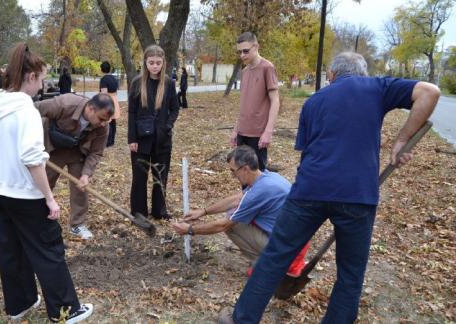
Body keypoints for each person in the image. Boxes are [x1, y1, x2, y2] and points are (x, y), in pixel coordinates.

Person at [223, 52, 440, 324]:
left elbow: (307, 150)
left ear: (332, 75)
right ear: (362, 72)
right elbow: (429, 93)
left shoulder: (314, 102)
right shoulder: (377, 87)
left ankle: (241, 319)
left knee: (275, 256)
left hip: (309, 190)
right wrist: (401, 141)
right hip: (357, 194)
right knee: (350, 272)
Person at [0, 43, 93, 323]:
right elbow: (31, 157)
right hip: (25, 196)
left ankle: (20, 304)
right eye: (40, 79)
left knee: (11, 249)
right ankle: (66, 310)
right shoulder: (25, 109)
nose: (41, 86)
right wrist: (49, 197)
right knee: (48, 250)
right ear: (30, 77)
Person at [171, 146, 308, 276]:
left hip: (288, 251)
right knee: (235, 214)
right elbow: (237, 199)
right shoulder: (268, 177)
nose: (233, 175)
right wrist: (203, 211)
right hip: (295, 243)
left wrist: (189, 229)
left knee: (234, 224)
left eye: (233, 171)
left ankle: (267, 264)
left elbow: (223, 225)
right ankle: (269, 261)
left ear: (245, 169)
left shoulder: (259, 191)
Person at [35, 92, 114, 240]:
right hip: (52, 148)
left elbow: (96, 153)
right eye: (101, 118)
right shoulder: (65, 103)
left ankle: (77, 224)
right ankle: (38, 220)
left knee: (81, 188)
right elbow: (32, 109)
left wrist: (85, 175)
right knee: (43, 186)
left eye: (107, 120)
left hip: (77, 151)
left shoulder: (103, 126)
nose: (104, 123)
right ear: (90, 108)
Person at [128, 45, 179, 220]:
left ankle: (159, 210)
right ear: (145, 62)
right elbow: (132, 112)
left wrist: (167, 125)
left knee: (160, 176)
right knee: (139, 177)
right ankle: (138, 211)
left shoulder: (169, 84)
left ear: (163, 63)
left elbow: (175, 109)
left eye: (158, 63)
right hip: (141, 139)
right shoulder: (137, 83)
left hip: (162, 140)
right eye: (151, 62)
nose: (155, 66)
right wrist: (132, 138)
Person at [230, 32, 280, 171]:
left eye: (246, 51)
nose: (242, 55)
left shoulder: (267, 68)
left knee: (258, 177)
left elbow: (275, 101)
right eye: (239, 52)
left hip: (258, 135)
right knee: (242, 175)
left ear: (256, 46)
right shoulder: (245, 71)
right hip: (242, 133)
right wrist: (235, 130)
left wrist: (268, 132)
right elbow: (244, 104)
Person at [99, 61, 121, 147]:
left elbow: (104, 93)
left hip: (107, 100)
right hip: (114, 100)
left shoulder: (104, 79)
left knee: (107, 121)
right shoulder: (114, 78)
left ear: (102, 70)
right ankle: (112, 141)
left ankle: (108, 142)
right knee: (113, 121)